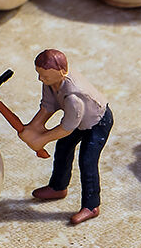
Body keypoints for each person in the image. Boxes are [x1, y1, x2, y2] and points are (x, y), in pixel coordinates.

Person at [20, 48, 113, 225]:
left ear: (62, 72)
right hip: (78, 120)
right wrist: (32, 127)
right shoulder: (50, 81)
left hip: (97, 123)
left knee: (87, 161)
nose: (40, 79)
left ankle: (91, 206)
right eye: (39, 74)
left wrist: (41, 139)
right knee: (63, 148)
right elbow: (47, 106)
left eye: (44, 76)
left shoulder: (73, 97)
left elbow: (67, 128)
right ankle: (58, 187)